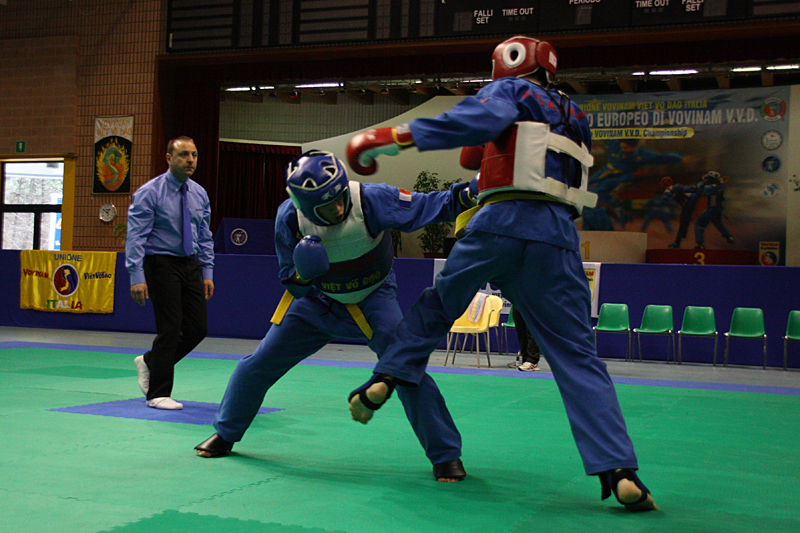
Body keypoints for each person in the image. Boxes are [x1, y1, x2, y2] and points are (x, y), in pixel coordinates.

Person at [345, 36, 657, 511]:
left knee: (439, 304)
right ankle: (620, 469)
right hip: (557, 237)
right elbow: (484, 152)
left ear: (506, 64)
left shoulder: (510, 93)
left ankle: (385, 378)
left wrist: (389, 138)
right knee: (578, 357)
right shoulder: (575, 114)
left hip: (501, 222)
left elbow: (473, 120)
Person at [194, 149, 476, 482]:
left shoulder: (371, 200)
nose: (339, 208)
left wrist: (467, 194)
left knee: (405, 368)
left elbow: (428, 206)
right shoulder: (289, 218)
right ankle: (226, 433)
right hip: (317, 303)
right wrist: (304, 272)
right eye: (327, 207)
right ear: (304, 206)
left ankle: (445, 456)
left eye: (340, 198)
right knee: (257, 364)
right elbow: (292, 282)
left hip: (373, 298)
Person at [126, 136, 214, 410]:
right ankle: (157, 394)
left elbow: (204, 235)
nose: (190, 160)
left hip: (189, 263)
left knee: (198, 328)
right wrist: (136, 276)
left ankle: (151, 362)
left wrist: (207, 270)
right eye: (184, 155)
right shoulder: (150, 192)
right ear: (169, 158)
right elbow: (136, 236)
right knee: (170, 327)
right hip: (160, 263)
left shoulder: (199, 193)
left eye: (194, 155)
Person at [582, 139, 684, 231]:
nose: (623, 149)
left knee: (597, 204)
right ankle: (591, 229)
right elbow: (606, 135)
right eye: (622, 147)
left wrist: (681, 158)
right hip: (599, 177)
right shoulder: (616, 146)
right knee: (590, 201)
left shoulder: (642, 155)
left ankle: (605, 231)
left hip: (618, 179)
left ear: (634, 147)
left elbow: (663, 157)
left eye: (626, 148)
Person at [693, 171, 734, 249]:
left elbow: (703, 187)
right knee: (717, 223)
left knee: (699, 224)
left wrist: (701, 185)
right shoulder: (720, 185)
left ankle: (700, 244)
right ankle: (728, 236)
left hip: (712, 209)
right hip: (718, 209)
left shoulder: (711, 187)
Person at [661, 176, 700, 249]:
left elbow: (668, 199)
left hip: (689, 204)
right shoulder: (676, 187)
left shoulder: (673, 189)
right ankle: (678, 241)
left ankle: (678, 242)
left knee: (687, 224)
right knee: (684, 224)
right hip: (689, 204)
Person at [511, 306, 542, 372]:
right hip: (518, 300)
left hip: (533, 301)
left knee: (531, 331)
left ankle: (533, 361)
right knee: (521, 330)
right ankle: (525, 359)